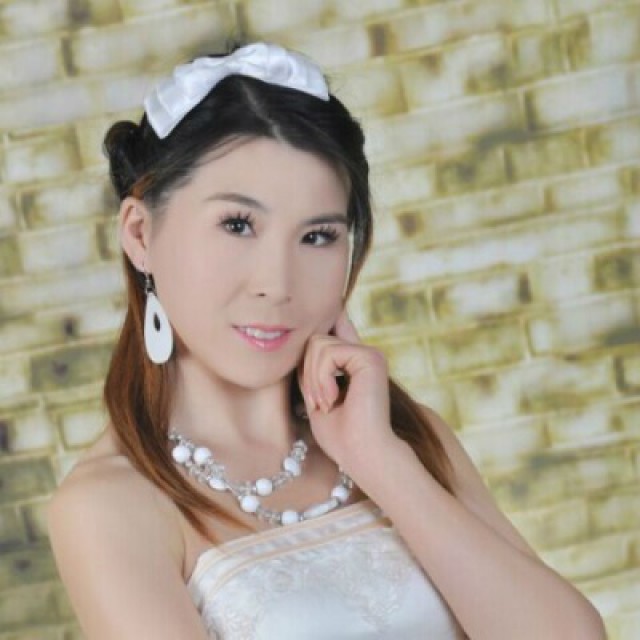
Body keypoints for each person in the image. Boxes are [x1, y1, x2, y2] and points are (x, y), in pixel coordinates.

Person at [47, 42, 606, 639]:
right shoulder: (110, 506)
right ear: (140, 234)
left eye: (317, 236)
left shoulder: (406, 437)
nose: (277, 284)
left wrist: (379, 461)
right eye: (237, 225)